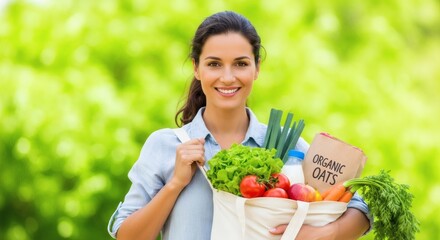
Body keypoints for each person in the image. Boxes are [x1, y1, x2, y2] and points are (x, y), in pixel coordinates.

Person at [107, 11, 372, 240]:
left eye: (241, 64)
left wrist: (322, 235)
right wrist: (175, 184)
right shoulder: (167, 145)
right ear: (196, 68)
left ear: (257, 68)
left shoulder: (286, 143)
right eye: (214, 64)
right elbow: (127, 235)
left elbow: (360, 209)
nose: (227, 77)